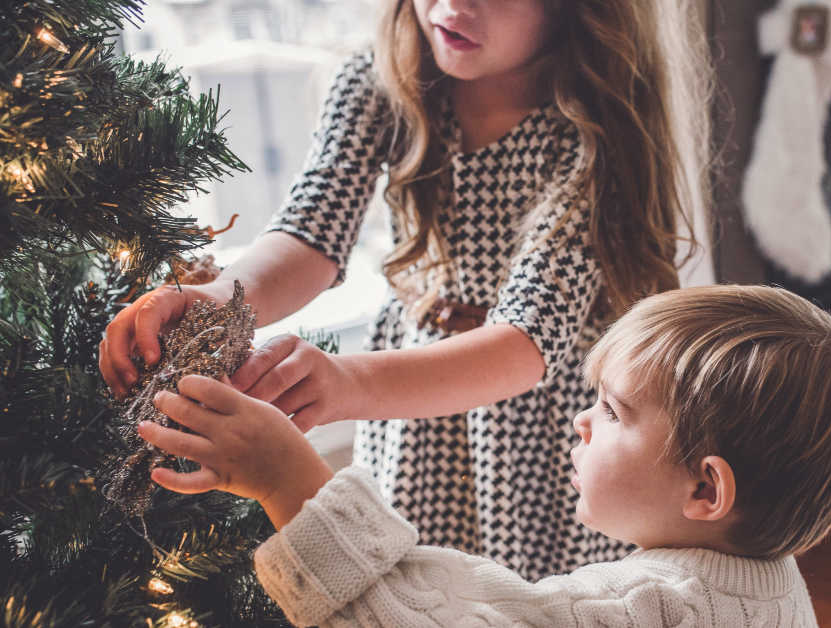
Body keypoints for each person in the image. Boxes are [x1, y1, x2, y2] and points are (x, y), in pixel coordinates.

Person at [99, 0, 712, 579]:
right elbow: (310, 235)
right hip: (415, 412)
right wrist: (219, 300)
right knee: (416, 590)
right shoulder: (379, 83)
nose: (453, 5)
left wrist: (346, 383)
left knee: (526, 598)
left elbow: (526, 343)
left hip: (542, 424)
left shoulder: (587, 131)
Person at [138, 284, 831, 627]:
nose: (579, 422)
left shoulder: (650, 609)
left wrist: (287, 477)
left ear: (706, 489)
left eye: (611, 410)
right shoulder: (770, 587)